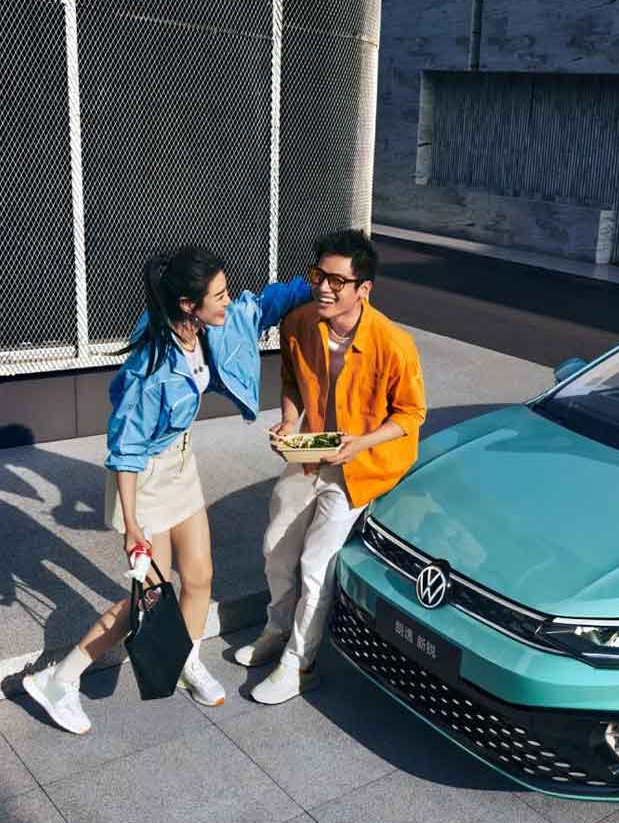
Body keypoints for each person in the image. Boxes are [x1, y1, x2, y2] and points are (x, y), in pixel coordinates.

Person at [22, 247, 312, 733]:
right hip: (145, 480)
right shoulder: (150, 369)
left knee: (199, 577)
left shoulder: (205, 326)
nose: (226, 300)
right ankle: (59, 679)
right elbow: (125, 452)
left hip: (182, 464)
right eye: (216, 295)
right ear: (187, 304)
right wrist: (132, 525)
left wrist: (318, 285)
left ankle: (184, 659)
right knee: (149, 600)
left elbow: (259, 305)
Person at [234, 229, 426, 704]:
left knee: (316, 563)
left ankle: (300, 664)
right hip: (310, 451)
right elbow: (291, 380)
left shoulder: (393, 343)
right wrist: (286, 421)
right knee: (275, 546)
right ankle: (276, 629)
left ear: (364, 289)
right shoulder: (300, 323)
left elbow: (410, 414)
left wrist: (361, 443)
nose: (324, 287)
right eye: (319, 275)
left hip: (362, 464)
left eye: (338, 281)